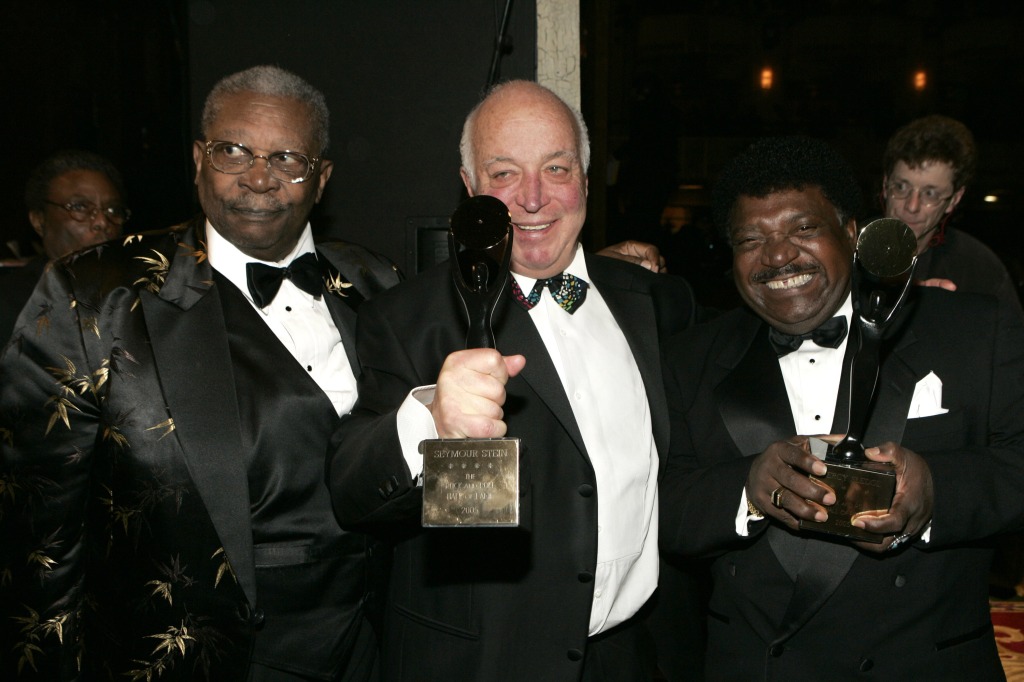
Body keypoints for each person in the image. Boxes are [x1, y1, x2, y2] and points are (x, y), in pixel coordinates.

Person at [0, 65, 402, 681]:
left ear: (320, 179)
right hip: (198, 660)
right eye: (233, 151)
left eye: (288, 158)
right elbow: (37, 537)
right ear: (197, 160)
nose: (260, 177)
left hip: (368, 650)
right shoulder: (95, 294)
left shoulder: (378, 282)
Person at [327, 80, 700, 681]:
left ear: (583, 179)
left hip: (628, 658)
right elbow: (351, 489)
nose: (532, 198)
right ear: (470, 187)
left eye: (556, 168)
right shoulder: (406, 318)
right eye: (504, 174)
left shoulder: (650, 301)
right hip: (481, 663)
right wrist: (430, 419)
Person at [659, 135, 1024, 680]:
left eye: (803, 229)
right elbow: (657, 507)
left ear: (852, 233)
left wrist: (934, 489)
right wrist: (747, 487)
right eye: (751, 239)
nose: (778, 254)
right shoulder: (689, 357)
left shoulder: (971, 328)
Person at [882, 114, 1022, 315]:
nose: (912, 206)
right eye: (902, 187)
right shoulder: (844, 252)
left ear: (954, 199)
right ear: (886, 186)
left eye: (930, 194)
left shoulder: (981, 271)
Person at [1, 149, 129, 346]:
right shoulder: (11, 303)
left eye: (113, 210)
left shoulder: (134, 294)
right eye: (79, 207)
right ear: (39, 220)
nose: (102, 222)